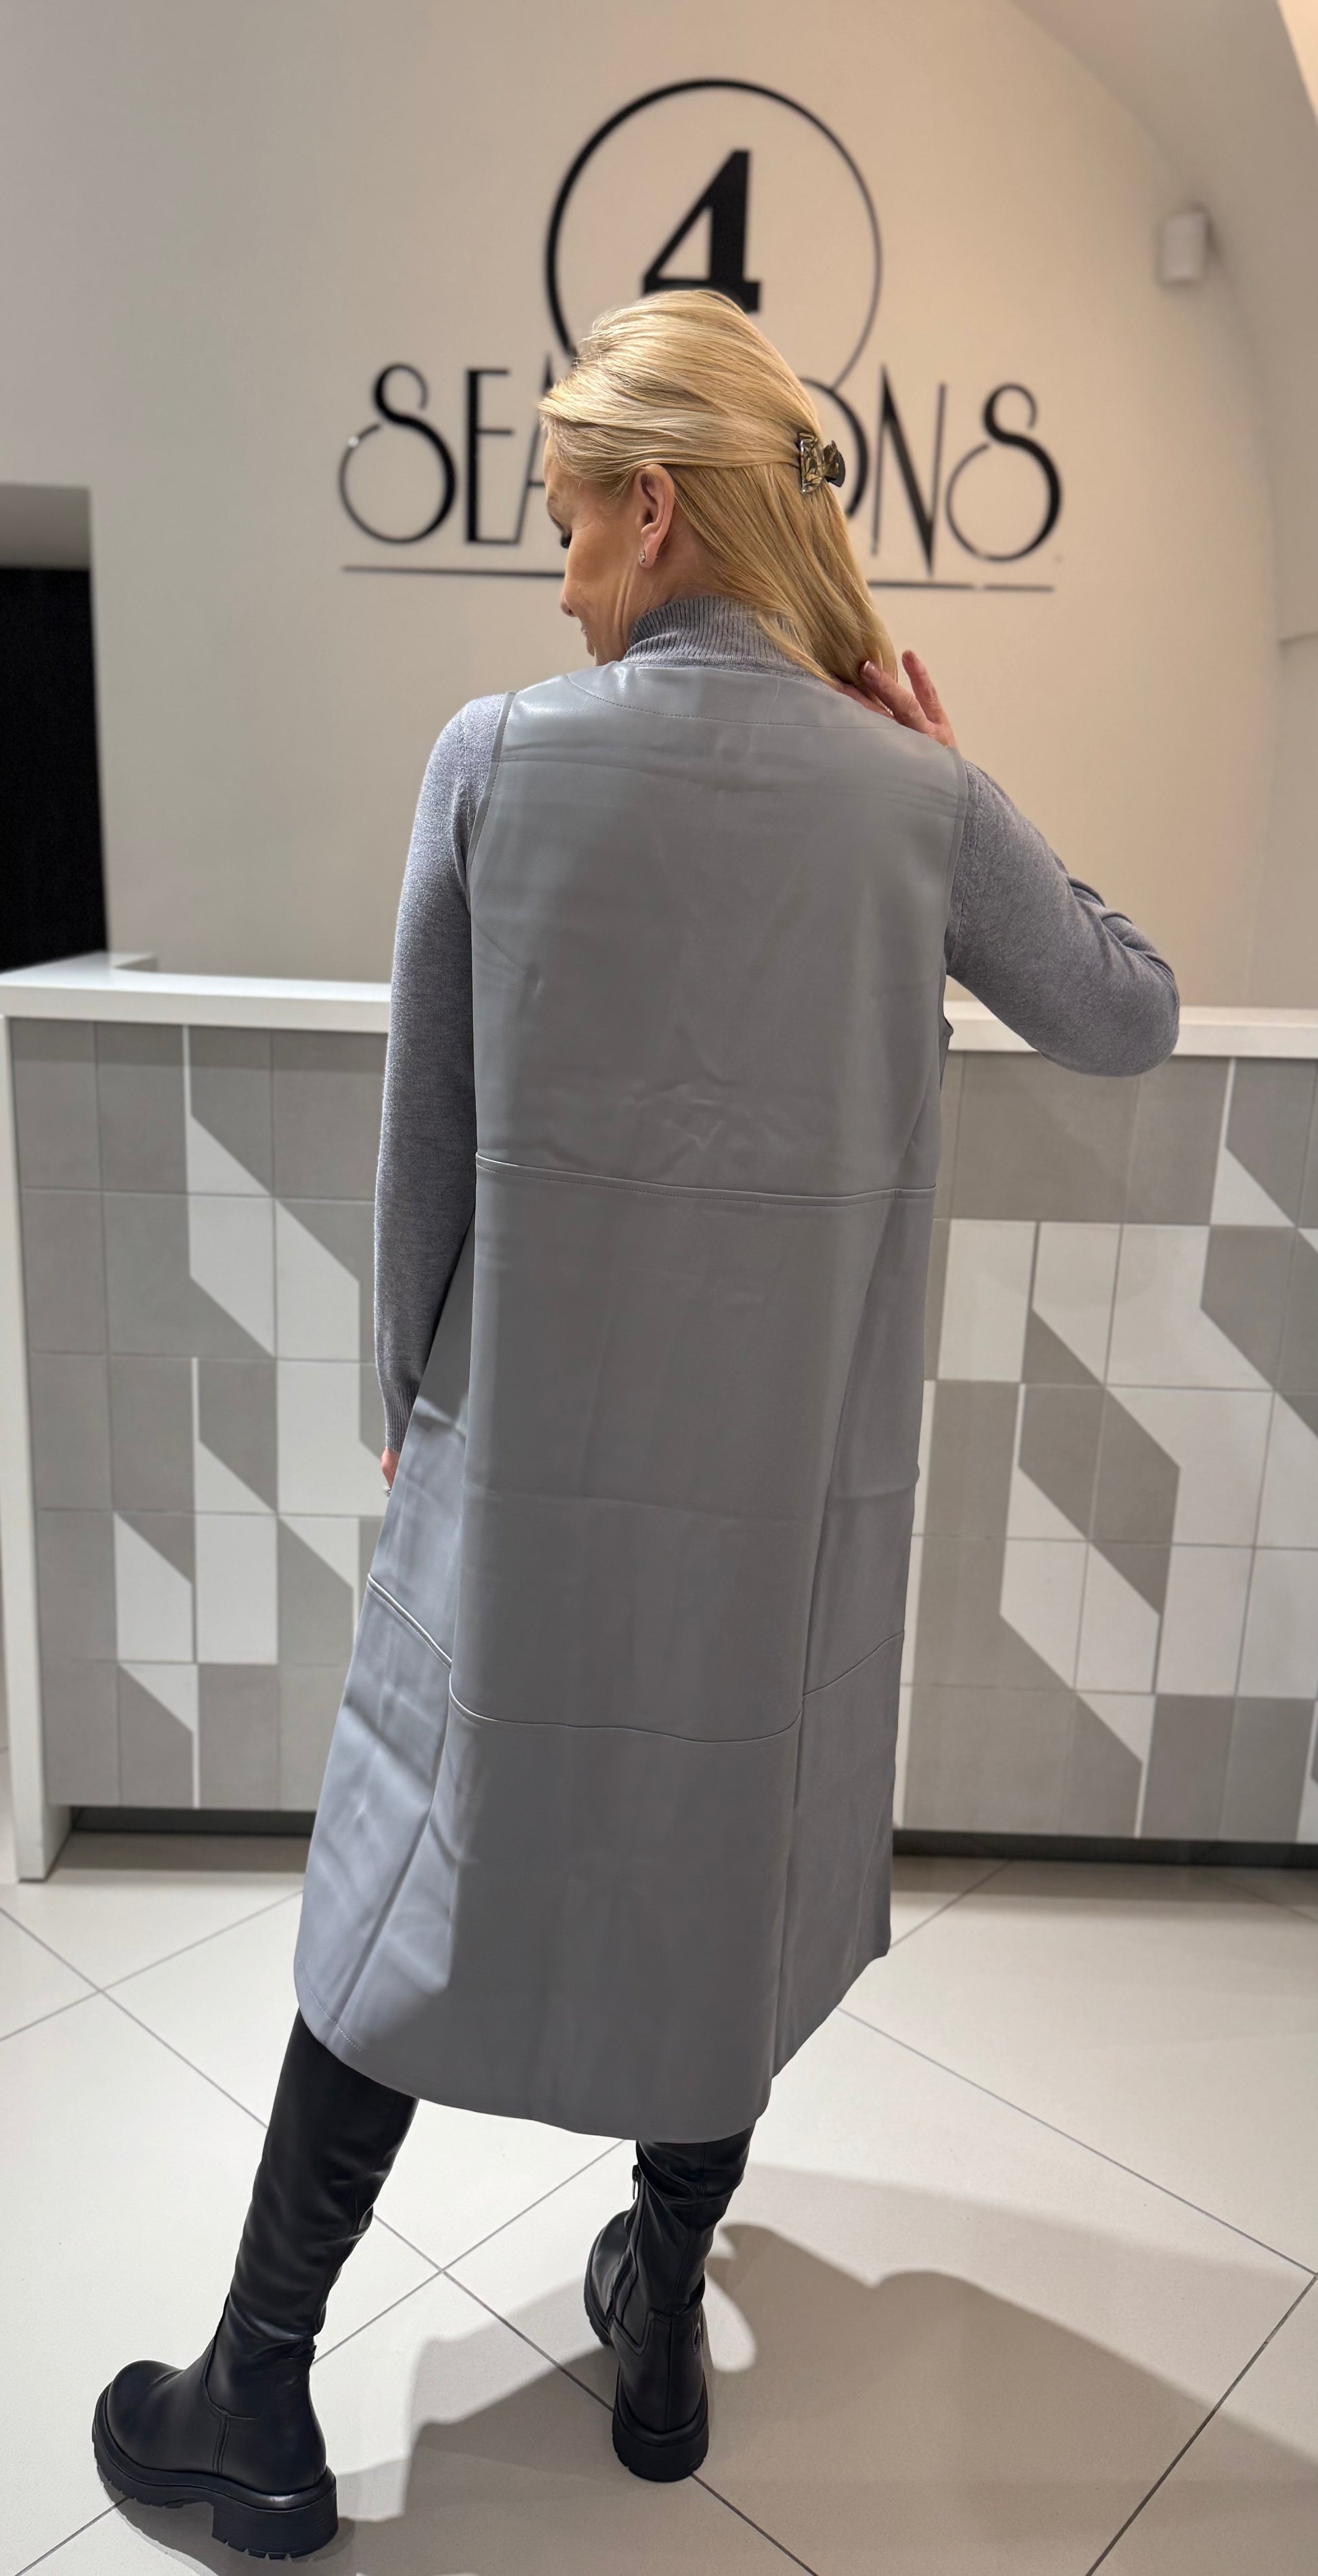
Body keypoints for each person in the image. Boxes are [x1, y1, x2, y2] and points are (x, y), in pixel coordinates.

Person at [93, 291, 1178, 2558]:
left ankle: (257, 2395)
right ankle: (661, 2320)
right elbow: (1123, 1016)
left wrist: (405, 1403)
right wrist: (951, 763)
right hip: (781, 1504)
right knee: (720, 1862)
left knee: (407, 1865)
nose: (558, 569)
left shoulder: (496, 758)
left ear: (656, 506)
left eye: (569, 518)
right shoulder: (913, 798)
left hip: (523, 1464)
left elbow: (427, 1141)